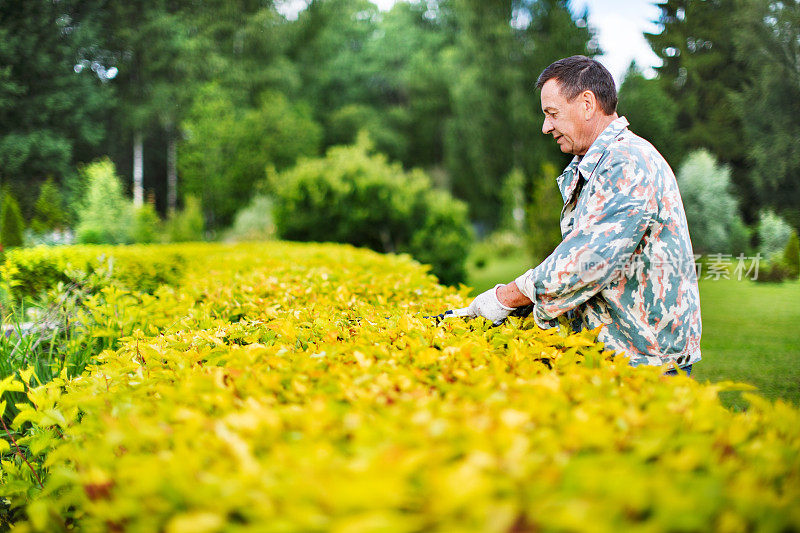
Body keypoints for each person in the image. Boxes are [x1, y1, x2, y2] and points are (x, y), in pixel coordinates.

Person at [466, 55, 701, 373]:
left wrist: (505, 297)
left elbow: (586, 261)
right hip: (614, 356)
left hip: (643, 364)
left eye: (552, 114)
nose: (546, 127)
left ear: (587, 104)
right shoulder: (600, 162)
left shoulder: (627, 162)